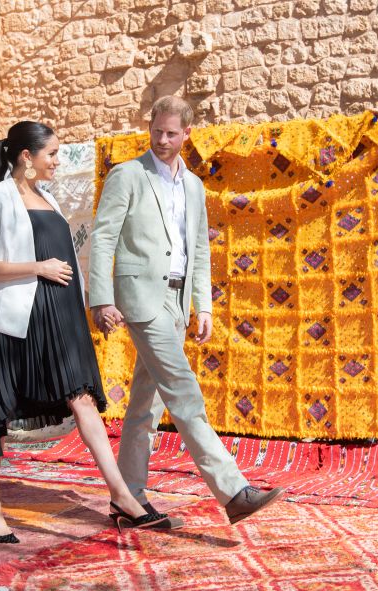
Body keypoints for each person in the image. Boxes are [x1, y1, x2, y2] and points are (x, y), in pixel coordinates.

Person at [0, 121, 168, 543]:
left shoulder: (50, 200)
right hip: (13, 321)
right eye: (52, 154)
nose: (58, 161)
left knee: (83, 402)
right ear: (27, 157)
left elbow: (69, 265)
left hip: (61, 318)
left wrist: (92, 306)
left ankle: (122, 498)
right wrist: (37, 268)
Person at [89, 96, 286, 525]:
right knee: (185, 394)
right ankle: (234, 492)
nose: (161, 140)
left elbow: (199, 249)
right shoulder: (127, 175)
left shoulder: (194, 185)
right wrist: (101, 299)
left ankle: (128, 500)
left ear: (187, 134)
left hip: (177, 304)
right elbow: (103, 238)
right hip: (141, 300)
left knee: (145, 408)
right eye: (156, 131)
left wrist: (203, 306)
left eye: (171, 133)